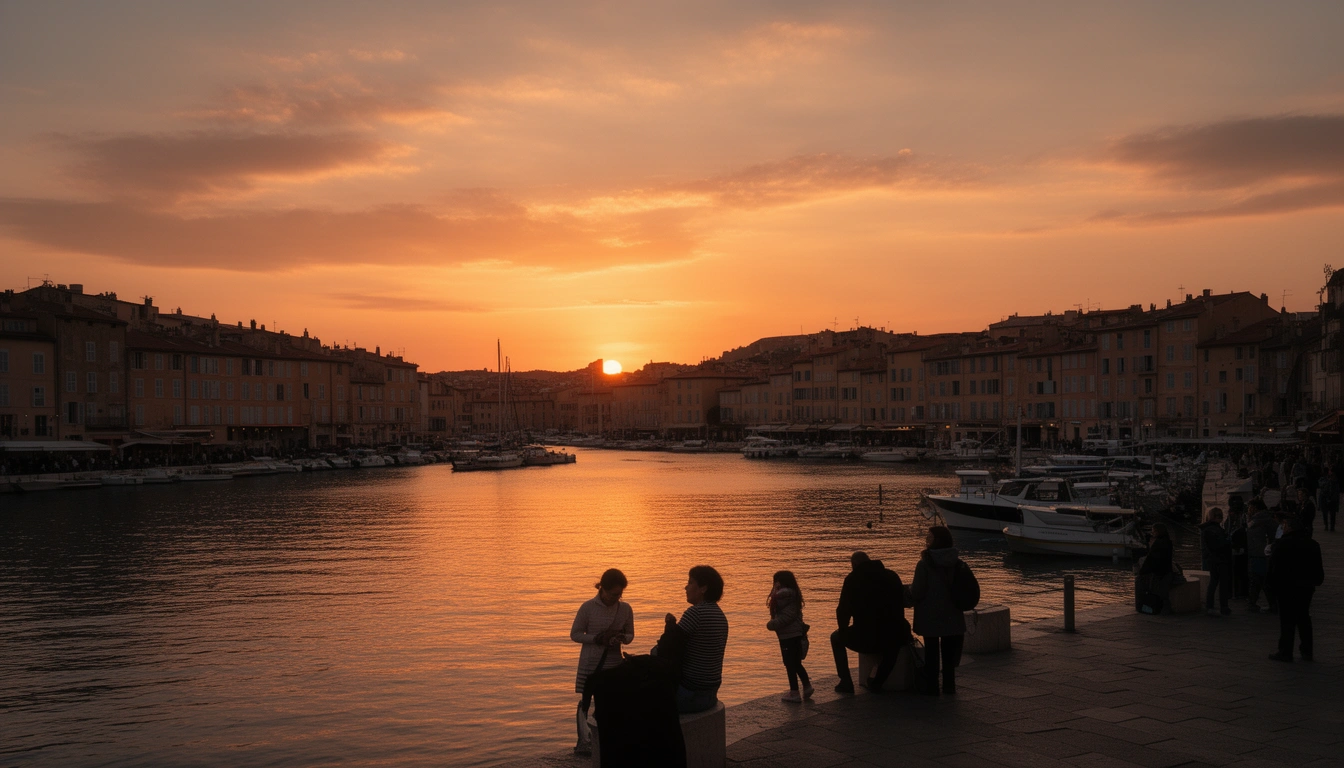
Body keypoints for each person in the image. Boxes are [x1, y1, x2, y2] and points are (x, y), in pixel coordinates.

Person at [570, 568, 634, 755]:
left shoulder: (625, 609)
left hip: (614, 664)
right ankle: (585, 742)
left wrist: (621, 638)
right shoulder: (588, 607)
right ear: (602, 589)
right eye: (613, 594)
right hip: (590, 664)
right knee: (586, 702)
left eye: (620, 594)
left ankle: (605, 741)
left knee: (610, 704)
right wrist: (597, 638)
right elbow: (575, 634)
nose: (616, 598)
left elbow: (630, 635)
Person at [829, 551, 910, 695]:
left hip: (866, 637)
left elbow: (843, 611)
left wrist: (843, 630)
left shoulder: (852, 579)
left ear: (854, 565)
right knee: (893, 644)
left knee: (836, 638)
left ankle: (846, 682)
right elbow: (902, 602)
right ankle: (878, 682)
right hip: (895, 634)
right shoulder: (892, 576)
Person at [910, 525, 968, 695]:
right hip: (952, 614)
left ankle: (932, 687)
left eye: (929, 537)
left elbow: (917, 591)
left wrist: (908, 593)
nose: (926, 540)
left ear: (936, 541)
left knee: (931, 652)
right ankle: (949, 686)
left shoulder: (924, 564)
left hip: (930, 615)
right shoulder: (957, 562)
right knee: (949, 653)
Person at [666, 565, 728, 714]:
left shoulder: (695, 613)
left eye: (690, 582)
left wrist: (669, 625)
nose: (685, 587)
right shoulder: (720, 615)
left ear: (703, 588)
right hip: (710, 694)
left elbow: (667, 648)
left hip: (690, 695)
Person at [1267, 517, 1325, 662]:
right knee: (1304, 617)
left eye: (1284, 525)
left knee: (1287, 619)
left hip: (1286, 587)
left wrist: (1270, 585)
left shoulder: (1281, 544)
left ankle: (1285, 651)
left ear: (1290, 527)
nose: (1283, 528)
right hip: (1306, 587)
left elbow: (1274, 567)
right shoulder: (1312, 544)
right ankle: (1307, 650)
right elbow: (1318, 567)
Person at [765, 570, 813, 703]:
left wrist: (772, 624)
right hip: (794, 634)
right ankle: (807, 686)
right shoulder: (793, 597)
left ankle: (794, 692)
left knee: (790, 664)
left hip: (788, 636)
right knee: (796, 663)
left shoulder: (782, 597)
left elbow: (785, 618)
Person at [1200, 508, 1232, 616]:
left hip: (1214, 559)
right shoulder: (1213, 530)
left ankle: (1212, 606)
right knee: (1221, 583)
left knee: (1214, 583)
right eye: (1218, 515)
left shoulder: (1208, 529)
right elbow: (1215, 546)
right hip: (1218, 559)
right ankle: (1222, 607)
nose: (1220, 517)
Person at [1246, 500, 1277, 613]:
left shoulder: (1256, 521)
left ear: (1254, 508)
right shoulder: (1269, 520)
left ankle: (1253, 603)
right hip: (1264, 553)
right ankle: (1271, 605)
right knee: (1263, 580)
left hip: (1258, 553)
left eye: (1249, 507)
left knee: (1258, 580)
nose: (1248, 510)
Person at [1138, 523, 1175, 613]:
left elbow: (1152, 558)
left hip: (1160, 572)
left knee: (1160, 592)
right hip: (1166, 571)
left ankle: (1164, 610)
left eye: (1153, 531)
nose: (1152, 533)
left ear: (1158, 531)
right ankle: (1165, 609)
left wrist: (1143, 571)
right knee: (1163, 592)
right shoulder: (1167, 541)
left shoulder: (1159, 543)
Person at [1318, 466, 1340, 532]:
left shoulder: (1335, 480)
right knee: (1325, 513)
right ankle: (1326, 525)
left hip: (1332, 498)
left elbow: (1337, 489)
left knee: (1332, 513)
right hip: (1324, 497)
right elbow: (1321, 486)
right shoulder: (1323, 479)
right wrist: (1329, 481)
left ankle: (1332, 526)